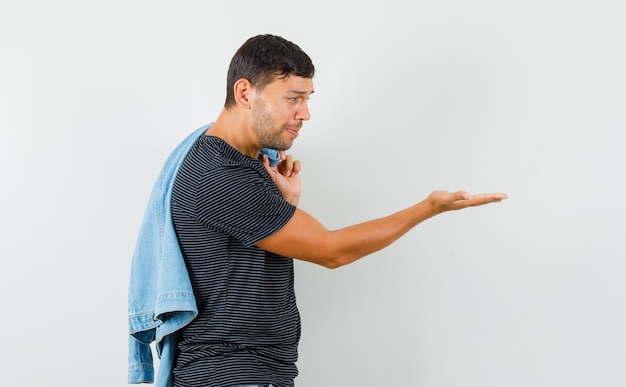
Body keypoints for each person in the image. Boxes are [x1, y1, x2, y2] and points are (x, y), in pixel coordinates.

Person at [169, 34, 507, 387]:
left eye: (307, 98)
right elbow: (332, 251)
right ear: (244, 94)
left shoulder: (237, 164)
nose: (306, 113)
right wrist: (429, 207)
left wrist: (286, 206)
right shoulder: (221, 175)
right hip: (232, 374)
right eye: (293, 99)